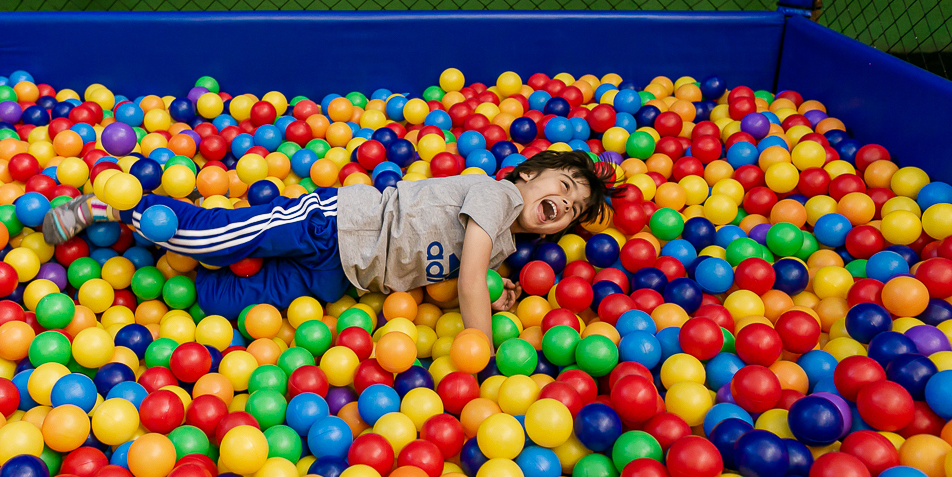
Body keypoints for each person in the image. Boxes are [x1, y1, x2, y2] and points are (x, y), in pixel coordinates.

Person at [44, 150, 622, 340]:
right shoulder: (496, 197)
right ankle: (118, 210)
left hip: (343, 278)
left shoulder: (498, 249)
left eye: (571, 210)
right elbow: (466, 277)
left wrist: (485, 303)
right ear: (527, 176)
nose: (565, 204)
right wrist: (481, 351)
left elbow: (443, 277)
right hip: (332, 224)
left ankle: (161, 257)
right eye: (562, 186)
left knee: (220, 304)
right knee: (211, 240)